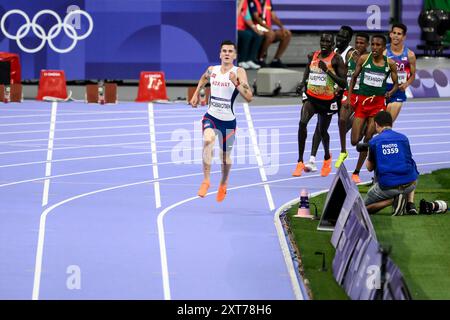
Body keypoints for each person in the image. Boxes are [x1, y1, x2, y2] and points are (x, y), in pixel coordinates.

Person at [189, 40, 253, 202]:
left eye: (230, 51)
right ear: (219, 54)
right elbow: (203, 79)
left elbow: (249, 97)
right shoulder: (213, 70)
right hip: (211, 116)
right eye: (224, 51)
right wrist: (196, 94)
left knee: (225, 157)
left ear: (235, 55)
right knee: (207, 140)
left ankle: (223, 183)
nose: (227, 53)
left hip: (228, 122)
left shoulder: (239, 72)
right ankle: (206, 180)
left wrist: (236, 82)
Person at [304, 26, 363, 172]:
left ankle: (357, 132)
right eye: (339, 36)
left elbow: (354, 75)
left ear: (349, 40)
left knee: (344, 125)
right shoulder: (333, 51)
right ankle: (313, 159)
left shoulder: (352, 55)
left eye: (344, 37)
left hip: (344, 95)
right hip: (330, 96)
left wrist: (343, 89)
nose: (340, 39)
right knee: (321, 126)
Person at [292, 32, 347, 177]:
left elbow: (344, 83)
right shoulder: (313, 56)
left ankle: (327, 158)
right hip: (311, 98)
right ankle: (299, 162)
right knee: (302, 123)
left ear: (333, 44)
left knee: (322, 132)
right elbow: (308, 71)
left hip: (327, 101)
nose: (324, 44)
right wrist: (303, 83)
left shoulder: (336, 60)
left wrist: (327, 71)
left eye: (328, 42)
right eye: (322, 41)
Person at [347, 34, 399, 183]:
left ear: (383, 48)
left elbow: (396, 84)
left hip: (377, 105)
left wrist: (391, 92)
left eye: (378, 45)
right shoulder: (364, 59)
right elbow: (353, 79)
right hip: (363, 104)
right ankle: (364, 129)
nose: (374, 48)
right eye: (373, 45)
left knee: (367, 139)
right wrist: (350, 98)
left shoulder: (390, 64)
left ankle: (356, 171)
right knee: (354, 141)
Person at [365, 111, 418, 215]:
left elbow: (369, 167)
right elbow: (408, 160)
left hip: (389, 186)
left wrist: (369, 152)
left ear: (376, 124)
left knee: (362, 208)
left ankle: (393, 201)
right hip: (410, 185)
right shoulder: (403, 138)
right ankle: (410, 203)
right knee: (411, 165)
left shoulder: (375, 141)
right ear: (391, 123)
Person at [385, 23, 416, 122]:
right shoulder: (384, 52)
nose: (396, 36)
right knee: (374, 126)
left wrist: (406, 84)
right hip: (383, 91)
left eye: (399, 34)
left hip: (398, 92)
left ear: (404, 37)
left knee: (387, 123)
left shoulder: (410, 55)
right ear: (390, 34)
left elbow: (413, 75)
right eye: (394, 33)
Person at [248, 0, 292, 68]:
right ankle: (260, 59)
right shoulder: (253, 1)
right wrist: (268, 28)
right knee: (271, 35)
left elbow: (273, 16)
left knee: (287, 34)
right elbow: (256, 17)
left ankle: (275, 60)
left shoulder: (267, 1)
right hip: (256, 27)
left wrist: (282, 27)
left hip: (267, 28)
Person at [237, 0, 264, 70]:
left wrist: (255, 28)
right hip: (232, 28)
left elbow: (247, 16)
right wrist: (240, 3)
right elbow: (236, 16)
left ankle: (249, 59)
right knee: (247, 35)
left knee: (258, 35)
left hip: (242, 28)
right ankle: (241, 60)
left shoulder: (244, 2)